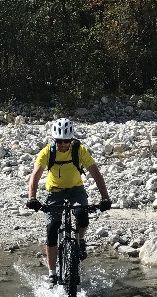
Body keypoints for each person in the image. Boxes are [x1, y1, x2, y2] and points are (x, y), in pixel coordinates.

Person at [26, 118, 111, 286]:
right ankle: (52, 272)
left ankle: (80, 240)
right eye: (59, 141)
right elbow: (34, 177)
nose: (63, 144)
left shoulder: (79, 151)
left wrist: (105, 198)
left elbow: (96, 174)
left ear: (72, 139)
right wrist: (32, 198)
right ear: (53, 139)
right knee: (51, 230)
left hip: (76, 189)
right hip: (54, 191)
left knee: (82, 215)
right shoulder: (47, 152)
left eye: (67, 141)